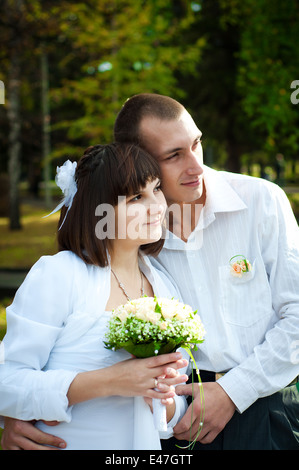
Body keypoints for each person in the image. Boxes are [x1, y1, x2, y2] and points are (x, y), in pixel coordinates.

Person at [3, 93, 299, 450]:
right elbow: (27, 365)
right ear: (141, 162)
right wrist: (17, 414)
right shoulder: (114, 259)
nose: (196, 167)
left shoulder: (259, 202)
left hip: (262, 404)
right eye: (173, 156)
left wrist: (232, 391)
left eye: (196, 144)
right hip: (183, 431)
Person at [0, 142, 189, 450]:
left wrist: (165, 398)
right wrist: (111, 381)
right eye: (136, 197)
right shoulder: (60, 274)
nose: (156, 206)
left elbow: (173, 409)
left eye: (156, 189)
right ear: (99, 210)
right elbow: (6, 382)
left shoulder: (164, 286)